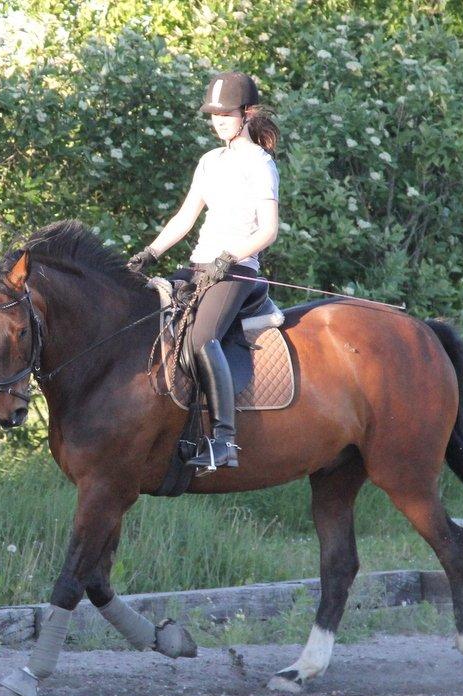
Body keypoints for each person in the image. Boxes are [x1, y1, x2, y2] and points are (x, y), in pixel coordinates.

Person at [127, 71, 280, 471]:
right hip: (200, 265)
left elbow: (268, 230)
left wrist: (229, 257)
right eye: (214, 114)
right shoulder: (210, 161)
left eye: (226, 114)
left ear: (247, 114)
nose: (218, 121)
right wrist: (150, 252)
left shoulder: (260, 163)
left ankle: (224, 441)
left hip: (237, 270)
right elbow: (185, 218)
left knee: (200, 339)